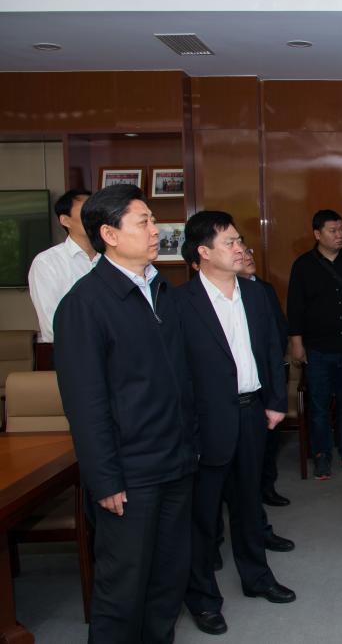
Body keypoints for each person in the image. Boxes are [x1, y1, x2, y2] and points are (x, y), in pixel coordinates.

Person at [53, 184, 197, 643]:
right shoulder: (85, 304)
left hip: (175, 461)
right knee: (122, 589)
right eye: (144, 221)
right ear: (110, 234)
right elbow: (85, 402)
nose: (156, 230)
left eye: (153, 220)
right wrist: (105, 479)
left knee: (167, 579)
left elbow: (180, 377)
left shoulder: (161, 288)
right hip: (130, 474)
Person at [176, 211, 296, 636]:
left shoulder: (256, 294)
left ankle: (257, 577)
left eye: (239, 240)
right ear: (203, 253)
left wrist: (276, 401)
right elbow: (176, 373)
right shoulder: (179, 303)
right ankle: (202, 598)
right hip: (205, 420)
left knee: (248, 504)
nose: (240, 248)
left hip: (252, 413)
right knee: (203, 515)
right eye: (229, 242)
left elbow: (272, 349)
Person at [287, 209, 342, 480]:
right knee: (319, 406)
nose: (339, 235)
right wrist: (297, 344)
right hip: (318, 348)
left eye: (341, 230)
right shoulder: (303, 265)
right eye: (333, 231)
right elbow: (295, 308)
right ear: (317, 234)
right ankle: (321, 454)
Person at [241, 244, 291, 507]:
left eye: (249, 251)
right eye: (240, 252)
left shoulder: (264, 288)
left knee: (269, 439)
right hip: (242, 380)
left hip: (267, 375)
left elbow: (278, 328)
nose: (247, 257)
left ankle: (267, 486)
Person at [28, 189, 98, 343]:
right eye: (87, 211)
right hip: (73, 350)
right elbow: (51, 324)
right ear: (65, 220)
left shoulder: (112, 257)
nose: (95, 216)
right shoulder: (46, 262)